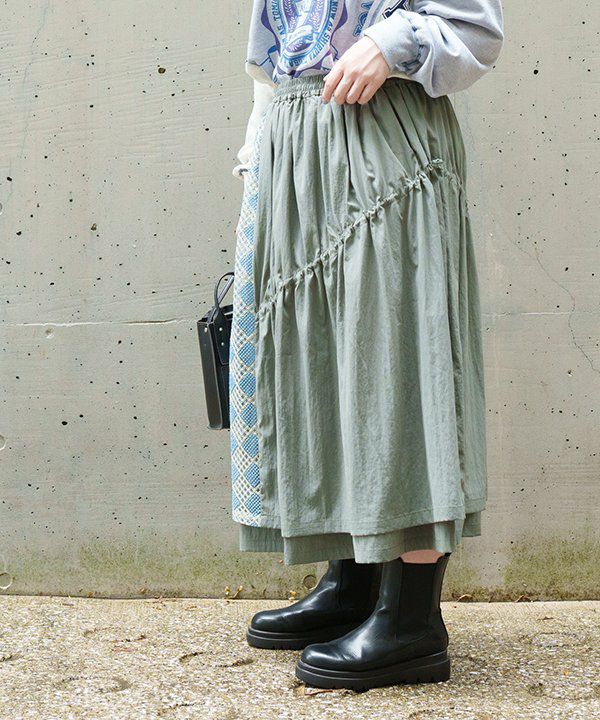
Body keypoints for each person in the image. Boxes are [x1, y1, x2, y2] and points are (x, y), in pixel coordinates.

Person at [228, 0, 504, 691]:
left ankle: (410, 620)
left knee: (396, 366)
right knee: (323, 366)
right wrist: (260, 153)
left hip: (385, 137)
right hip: (295, 143)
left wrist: (391, 41)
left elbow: (474, 28)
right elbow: (274, 49)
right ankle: (352, 584)